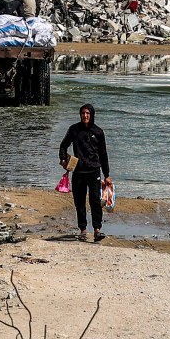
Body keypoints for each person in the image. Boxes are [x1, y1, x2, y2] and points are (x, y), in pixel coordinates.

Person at [57, 104, 110, 243]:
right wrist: (63, 159)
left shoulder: (98, 132)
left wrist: (107, 175)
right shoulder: (74, 130)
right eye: (83, 113)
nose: (85, 116)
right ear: (80, 115)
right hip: (79, 171)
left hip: (94, 171)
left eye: (87, 113)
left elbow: (103, 155)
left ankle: (97, 230)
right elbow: (63, 145)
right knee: (79, 201)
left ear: (92, 115)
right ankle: (83, 230)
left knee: (95, 201)